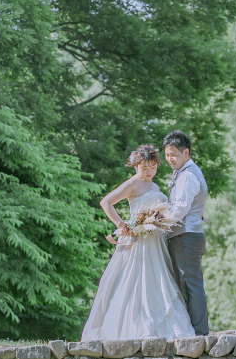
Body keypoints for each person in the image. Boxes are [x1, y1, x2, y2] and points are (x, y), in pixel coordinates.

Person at [81, 145, 195, 341]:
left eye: (152, 167)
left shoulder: (155, 186)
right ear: (135, 166)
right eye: (144, 168)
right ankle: (135, 326)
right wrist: (121, 224)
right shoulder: (133, 184)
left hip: (156, 240)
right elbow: (106, 202)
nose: (149, 171)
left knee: (159, 279)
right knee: (137, 280)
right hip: (140, 242)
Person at [163, 130, 209, 336]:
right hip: (185, 235)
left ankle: (199, 332)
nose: (169, 159)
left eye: (174, 154)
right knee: (186, 282)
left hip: (187, 236)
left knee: (191, 283)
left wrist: (159, 223)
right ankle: (193, 330)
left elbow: (181, 208)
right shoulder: (184, 173)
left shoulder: (189, 175)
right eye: (167, 155)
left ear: (186, 152)